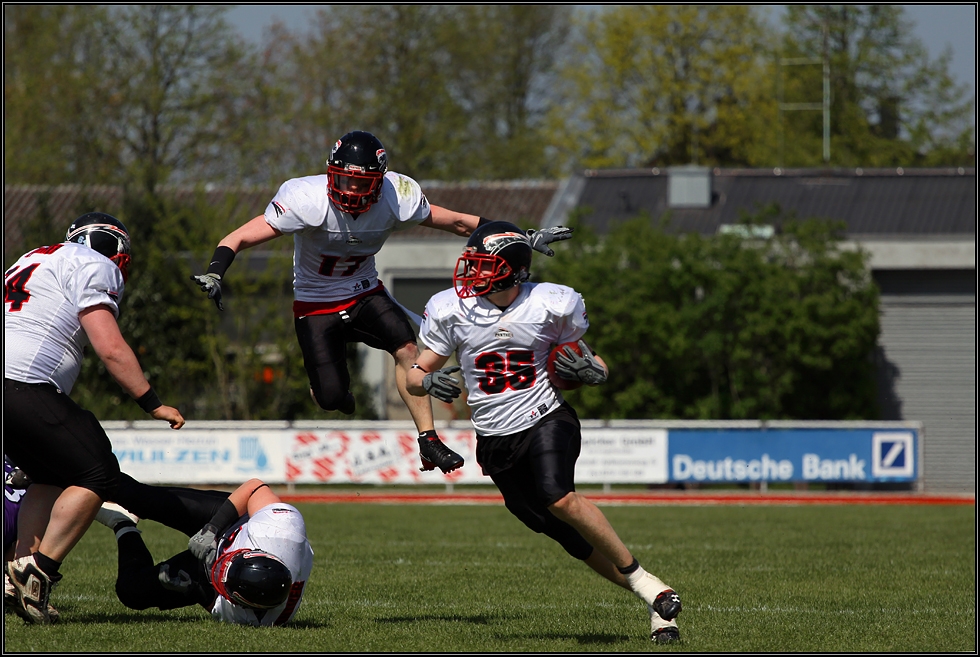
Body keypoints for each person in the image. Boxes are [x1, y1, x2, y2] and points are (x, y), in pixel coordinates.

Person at [191, 130, 572, 475]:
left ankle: (428, 441)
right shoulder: (305, 199)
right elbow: (240, 236)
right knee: (331, 398)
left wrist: (519, 237)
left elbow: (457, 222)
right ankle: (330, 387)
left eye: (362, 183)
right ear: (330, 174)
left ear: (380, 181)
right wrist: (216, 270)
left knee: (408, 347)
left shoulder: (395, 196)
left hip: (363, 291)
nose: (353, 192)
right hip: (315, 302)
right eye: (345, 180)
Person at [406, 221, 683, 643]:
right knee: (562, 533)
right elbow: (414, 374)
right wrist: (424, 381)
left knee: (558, 495)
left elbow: (591, 359)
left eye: (483, 265)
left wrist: (595, 373)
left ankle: (642, 580)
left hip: (546, 416)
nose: (472, 273)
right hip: (495, 437)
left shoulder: (551, 303)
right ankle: (657, 600)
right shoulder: (451, 309)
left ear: (513, 270)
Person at [3, 212, 186, 625]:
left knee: (46, 475)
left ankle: (16, 577)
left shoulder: (32, 257)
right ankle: (39, 570)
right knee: (98, 475)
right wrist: (151, 401)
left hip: (12, 385)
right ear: (112, 246)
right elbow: (110, 347)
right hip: (23, 383)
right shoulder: (94, 265)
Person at [92, 474, 313, 627]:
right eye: (228, 564)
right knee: (139, 498)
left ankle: (123, 524)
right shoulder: (282, 529)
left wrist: (193, 590)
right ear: (252, 552)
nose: (218, 567)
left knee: (131, 592)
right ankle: (80, 470)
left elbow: (213, 603)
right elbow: (254, 487)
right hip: (230, 523)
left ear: (239, 600)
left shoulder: (257, 617)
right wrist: (212, 529)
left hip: (211, 577)